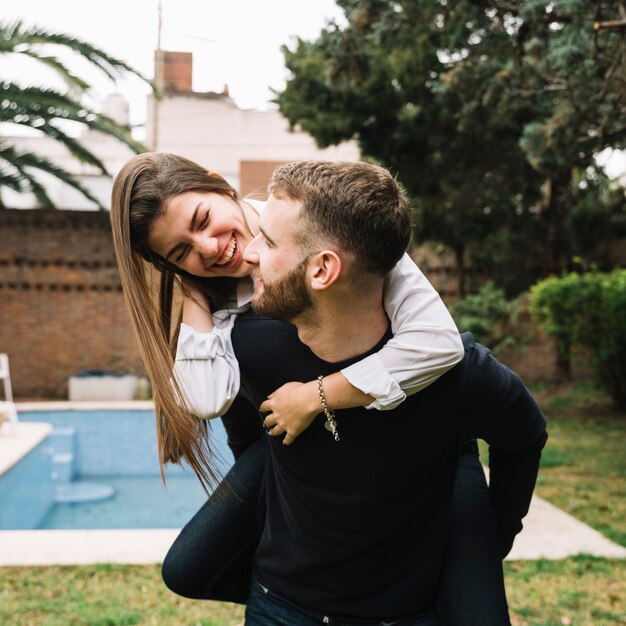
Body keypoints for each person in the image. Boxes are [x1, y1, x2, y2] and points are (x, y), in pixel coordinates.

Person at [110, 153, 514, 624]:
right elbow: (207, 400)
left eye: (203, 220)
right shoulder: (213, 297)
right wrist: (191, 294)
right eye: (180, 252)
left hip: (426, 440)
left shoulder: (319, 219)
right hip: (290, 450)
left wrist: (317, 395)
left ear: (221, 187)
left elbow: (438, 344)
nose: (208, 247)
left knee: (472, 608)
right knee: (188, 567)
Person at [224, 160, 547, 624]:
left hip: (404, 614)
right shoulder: (250, 343)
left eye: (269, 241)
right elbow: (241, 422)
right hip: (278, 603)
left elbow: (525, 436)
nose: (249, 253)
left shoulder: (459, 374)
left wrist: (497, 533)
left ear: (323, 270)